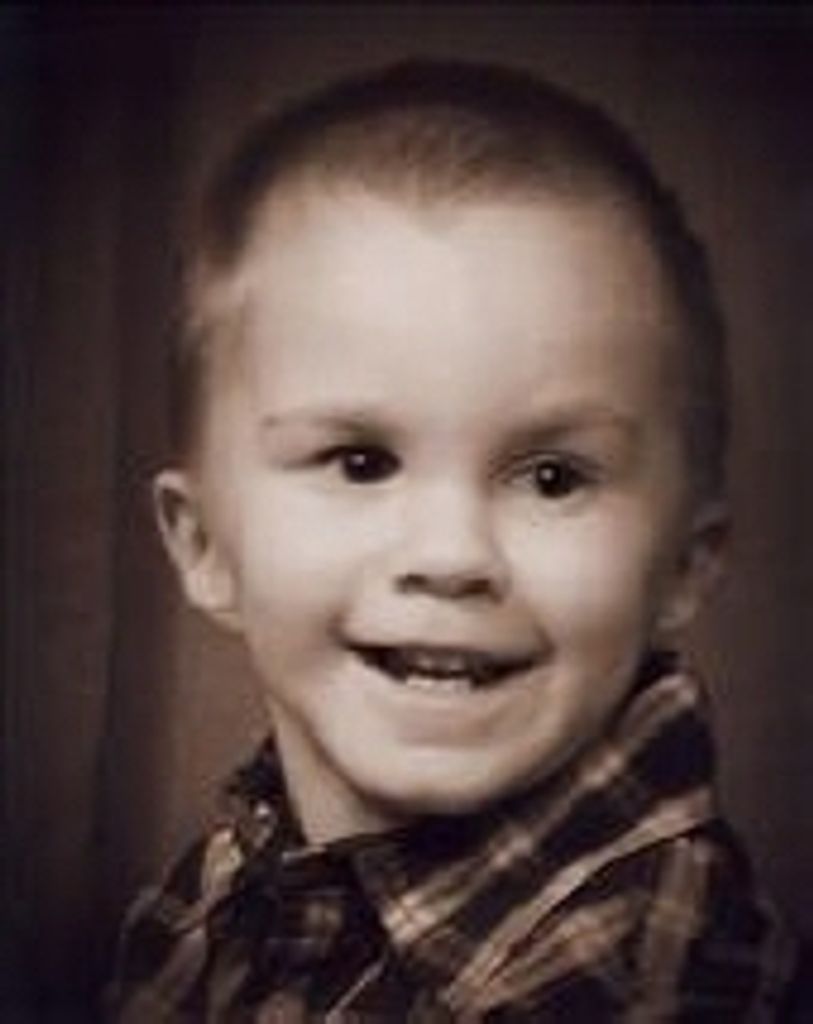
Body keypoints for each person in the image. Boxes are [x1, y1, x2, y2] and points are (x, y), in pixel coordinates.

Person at [108, 60, 806, 1020]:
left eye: (552, 477)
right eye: (360, 462)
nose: (450, 555)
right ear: (204, 547)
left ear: (684, 565)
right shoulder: (212, 899)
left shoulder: (660, 982)